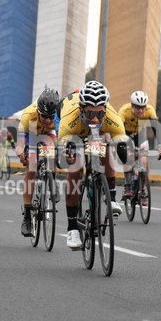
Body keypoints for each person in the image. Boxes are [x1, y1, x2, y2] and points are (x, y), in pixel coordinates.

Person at [58, 80, 129, 249]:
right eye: (90, 113)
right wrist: (67, 155)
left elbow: (120, 139)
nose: (95, 119)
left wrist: (122, 149)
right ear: (81, 109)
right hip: (73, 133)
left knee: (107, 147)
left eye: (100, 114)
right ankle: (72, 227)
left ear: (105, 110)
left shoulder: (111, 116)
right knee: (74, 169)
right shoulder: (69, 119)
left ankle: (111, 197)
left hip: (97, 135)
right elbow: (61, 159)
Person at [15, 87, 60, 237]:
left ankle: (52, 179)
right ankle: (27, 217)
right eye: (44, 116)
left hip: (49, 134)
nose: (47, 120)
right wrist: (22, 154)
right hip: (32, 132)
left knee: (52, 149)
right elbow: (20, 144)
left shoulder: (59, 116)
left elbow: (62, 139)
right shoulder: (28, 115)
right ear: (38, 111)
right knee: (31, 168)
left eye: (51, 117)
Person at [117, 90, 161, 202]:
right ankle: (128, 186)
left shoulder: (150, 110)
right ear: (132, 106)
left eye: (143, 107)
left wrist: (160, 145)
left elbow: (156, 128)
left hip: (140, 134)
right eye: (137, 107)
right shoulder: (124, 111)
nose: (140, 110)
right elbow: (118, 129)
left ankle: (142, 189)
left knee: (144, 160)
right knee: (128, 157)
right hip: (125, 133)